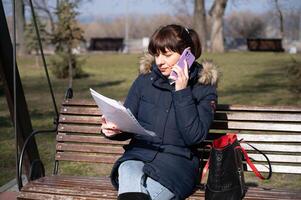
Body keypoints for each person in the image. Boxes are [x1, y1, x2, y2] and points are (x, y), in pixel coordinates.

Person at [100, 24, 218, 200]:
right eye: (156, 54)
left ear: (187, 54)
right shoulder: (144, 81)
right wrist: (113, 129)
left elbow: (194, 137)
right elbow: (128, 122)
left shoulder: (204, 88)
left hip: (177, 166)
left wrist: (181, 91)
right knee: (127, 168)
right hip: (138, 156)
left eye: (167, 55)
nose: (159, 61)